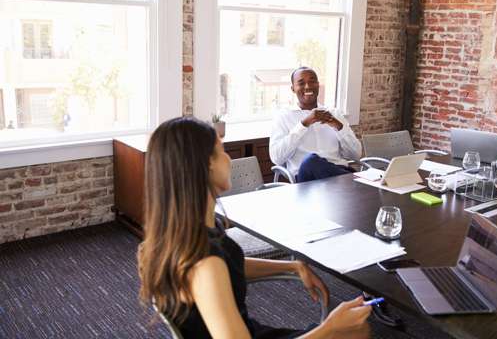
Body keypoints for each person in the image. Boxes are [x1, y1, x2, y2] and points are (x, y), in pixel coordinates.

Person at [138, 117, 371, 339]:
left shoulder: (187, 233)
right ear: (207, 163)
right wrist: (329, 329)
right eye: (222, 151)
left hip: (247, 330)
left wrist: (292, 266)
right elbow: (215, 271)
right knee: (354, 332)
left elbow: (229, 266)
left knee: (356, 331)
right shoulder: (205, 263)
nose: (229, 159)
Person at [269, 67, 362, 183]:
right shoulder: (283, 117)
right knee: (311, 161)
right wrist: (304, 124)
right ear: (293, 88)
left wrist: (339, 126)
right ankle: (355, 183)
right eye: (301, 83)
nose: (307, 86)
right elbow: (276, 158)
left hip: (338, 171)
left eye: (312, 81)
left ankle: (351, 183)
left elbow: (356, 154)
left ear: (318, 85)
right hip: (308, 180)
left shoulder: (334, 113)